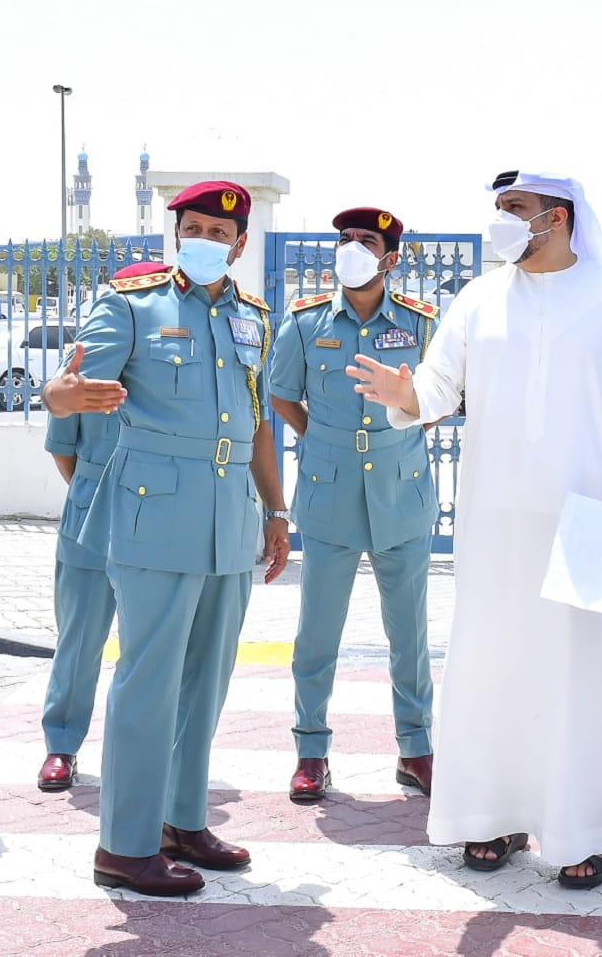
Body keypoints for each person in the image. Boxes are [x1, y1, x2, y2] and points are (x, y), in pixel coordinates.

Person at [348, 170, 602, 891]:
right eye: (499, 208)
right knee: (496, 665)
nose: (502, 220)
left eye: (516, 209)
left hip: (592, 518)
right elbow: (437, 386)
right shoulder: (478, 298)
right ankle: (492, 816)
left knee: (588, 677)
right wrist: (408, 396)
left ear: (556, 217)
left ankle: (583, 832)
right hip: (495, 519)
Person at [42, 180, 292, 897]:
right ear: (174, 231)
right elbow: (65, 386)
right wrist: (68, 396)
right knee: (147, 681)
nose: (208, 240)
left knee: (207, 679)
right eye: (196, 228)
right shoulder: (130, 301)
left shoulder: (253, 317)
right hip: (155, 510)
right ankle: (124, 845)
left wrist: (276, 511)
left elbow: (258, 426)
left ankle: (184, 819)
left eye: (221, 232)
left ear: (241, 244)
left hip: (230, 514)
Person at [271, 207, 438, 803]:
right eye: (344, 239)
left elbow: (444, 397)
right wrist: (319, 434)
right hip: (330, 493)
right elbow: (281, 392)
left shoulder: (420, 324)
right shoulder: (306, 321)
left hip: (402, 493)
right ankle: (310, 750)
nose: (352, 248)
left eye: (366, 241)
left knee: (409, 635)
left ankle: (415, 748)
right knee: (317, 631)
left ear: (390, 258)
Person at [37, 258, 165, 792]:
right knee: (80, 634)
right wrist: (96, 489)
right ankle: (61, 745)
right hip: (92, 508)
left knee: (151, 641)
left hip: (157, 512)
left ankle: (146, 750)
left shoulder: (165, 387)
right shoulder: (82, 380)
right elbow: (62, 450)